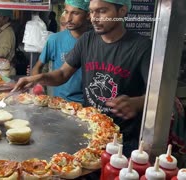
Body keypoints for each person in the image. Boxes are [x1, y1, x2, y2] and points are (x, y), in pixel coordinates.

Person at [14, 0, 152, 155]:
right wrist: (35, 78)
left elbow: (159, 95)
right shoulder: (87, 40)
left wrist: (137, 103)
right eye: (92, 11)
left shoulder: (142, 47)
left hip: (124, 140)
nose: (94, 17)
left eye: (102, 11)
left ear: (122, 11)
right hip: (91, 130)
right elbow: (62, 74)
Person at [31, 0, 90, 103]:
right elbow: (37, 67)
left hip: (89, 106)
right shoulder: (55, 40)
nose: (68, 19)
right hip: (60, 104)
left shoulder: (97, 41)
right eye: (66, 12)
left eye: (75, 13)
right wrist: (38, 86)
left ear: (88, 15)